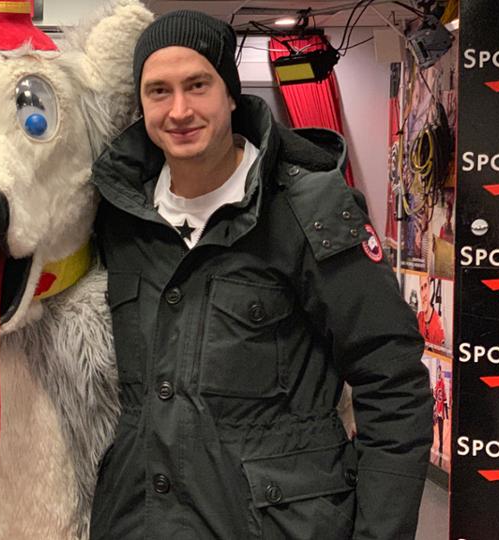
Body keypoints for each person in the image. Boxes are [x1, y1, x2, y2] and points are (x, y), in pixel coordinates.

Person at [89, 10, 432, 539]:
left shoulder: (307, 208)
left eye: (197, 85)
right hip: (140, 520)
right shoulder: (121, 217)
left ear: (230, 93)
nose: (179, 110)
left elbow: (392, 381)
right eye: (159, 91)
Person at [418, 273, 446, 346]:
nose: (424, 294)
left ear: (430, 288)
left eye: (425, 286)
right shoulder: (419, 317)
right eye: (421, 288)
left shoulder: (438, 325)